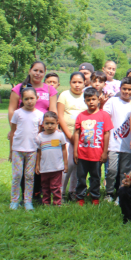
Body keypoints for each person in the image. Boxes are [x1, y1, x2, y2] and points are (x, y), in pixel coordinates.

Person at [7, 61, 57, 204]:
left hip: (43, 132)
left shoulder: (49, 90)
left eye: (41, 71)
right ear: (29, 71)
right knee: (20, 170)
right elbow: (12, 110)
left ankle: (35, 194)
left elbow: (52, 110)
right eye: (35, 70)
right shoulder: (18, 88)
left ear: (44, 73)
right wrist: (13, 129)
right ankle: (19, 197)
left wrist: (50, 130)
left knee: (37, 166)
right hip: (23, 134)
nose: (38, 74)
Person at [73, 87, 113, 206]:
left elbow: (106, 133)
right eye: (88, 99)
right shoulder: (81, 116)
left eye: (93, 99)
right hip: (82, 153)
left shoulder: (104, 115)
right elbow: (76, 133)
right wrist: (75, 151)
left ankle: (95, 196)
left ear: (98, 100)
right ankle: (80, 196)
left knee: (95, 177)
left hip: (97, 154)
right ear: (84, 101)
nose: (91, 102)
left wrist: (105, 152)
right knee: (81, 177)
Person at [9, 87, 44, 210]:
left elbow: (39, 134)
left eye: (32, 98)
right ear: (22, 100)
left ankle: (27, 201)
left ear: (37, 98)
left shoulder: (40, 115)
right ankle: (14, 200)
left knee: (29, 176)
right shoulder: (17, 113)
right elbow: (12, 132)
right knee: (17, 175)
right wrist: (10, 151)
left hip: (32, 150)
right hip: (17, 150)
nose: (29, 101)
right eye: (26, 99)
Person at [103, 77, 131, 203]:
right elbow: (105, 118)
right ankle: (109, 193)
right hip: (113, 143)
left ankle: (121, 194)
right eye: (124, 89)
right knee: (111, 170)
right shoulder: (113, 101)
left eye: (129, 89)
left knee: (125, 172)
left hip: (127, 145)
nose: (126, 92)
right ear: (120, 89)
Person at [57, 72, 87, 201]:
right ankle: (60, 193)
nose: (77, 85)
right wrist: (69, 136)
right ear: (70, 83)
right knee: (67, 164)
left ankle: (73, 191)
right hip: (66, 135)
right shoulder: (64, 95)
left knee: (77, 165)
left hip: (83, 137)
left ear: (84, 83)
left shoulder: (87, 95)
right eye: (74, 82)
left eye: (80, 82)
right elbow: (60, 117)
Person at [35, 111, 68, 206]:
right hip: (44, 168)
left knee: (56, 186)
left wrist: (65, 164)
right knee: (45, 187)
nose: (49, 126)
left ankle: (57, 203)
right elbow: (39, 152)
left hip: (57, 167)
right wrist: (37, 165)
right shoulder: (40, 137)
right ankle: (46, 202)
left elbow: (64, 150)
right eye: (47, 123)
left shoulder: (59, 135)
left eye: (52, 123)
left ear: (57, 123)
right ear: (43, 124)